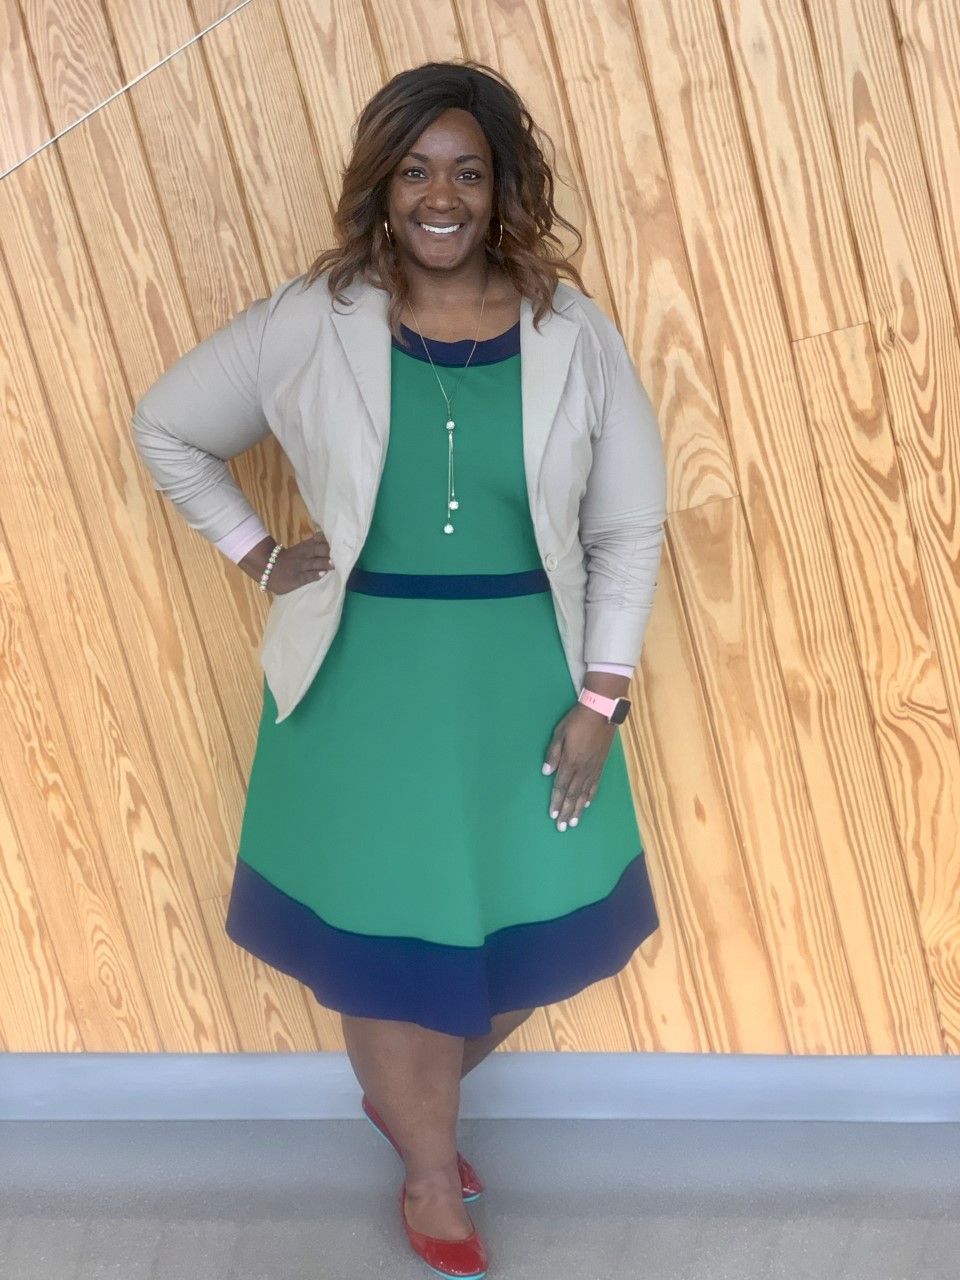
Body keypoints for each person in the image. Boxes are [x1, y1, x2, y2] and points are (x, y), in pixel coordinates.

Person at [131, 59, 667, 1280]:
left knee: (535, 939)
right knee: (382, 935)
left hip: (523, 676)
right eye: (418, 169)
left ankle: (401, 1090)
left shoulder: (570, 330)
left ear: (500, 189)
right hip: (359, 679)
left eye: (468, 172)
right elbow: (166, 424)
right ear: (383, 184)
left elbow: (628, 525)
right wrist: (260, 555)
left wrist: (601, 696)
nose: (443, 195)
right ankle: (431, 1161)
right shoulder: (313, 316)